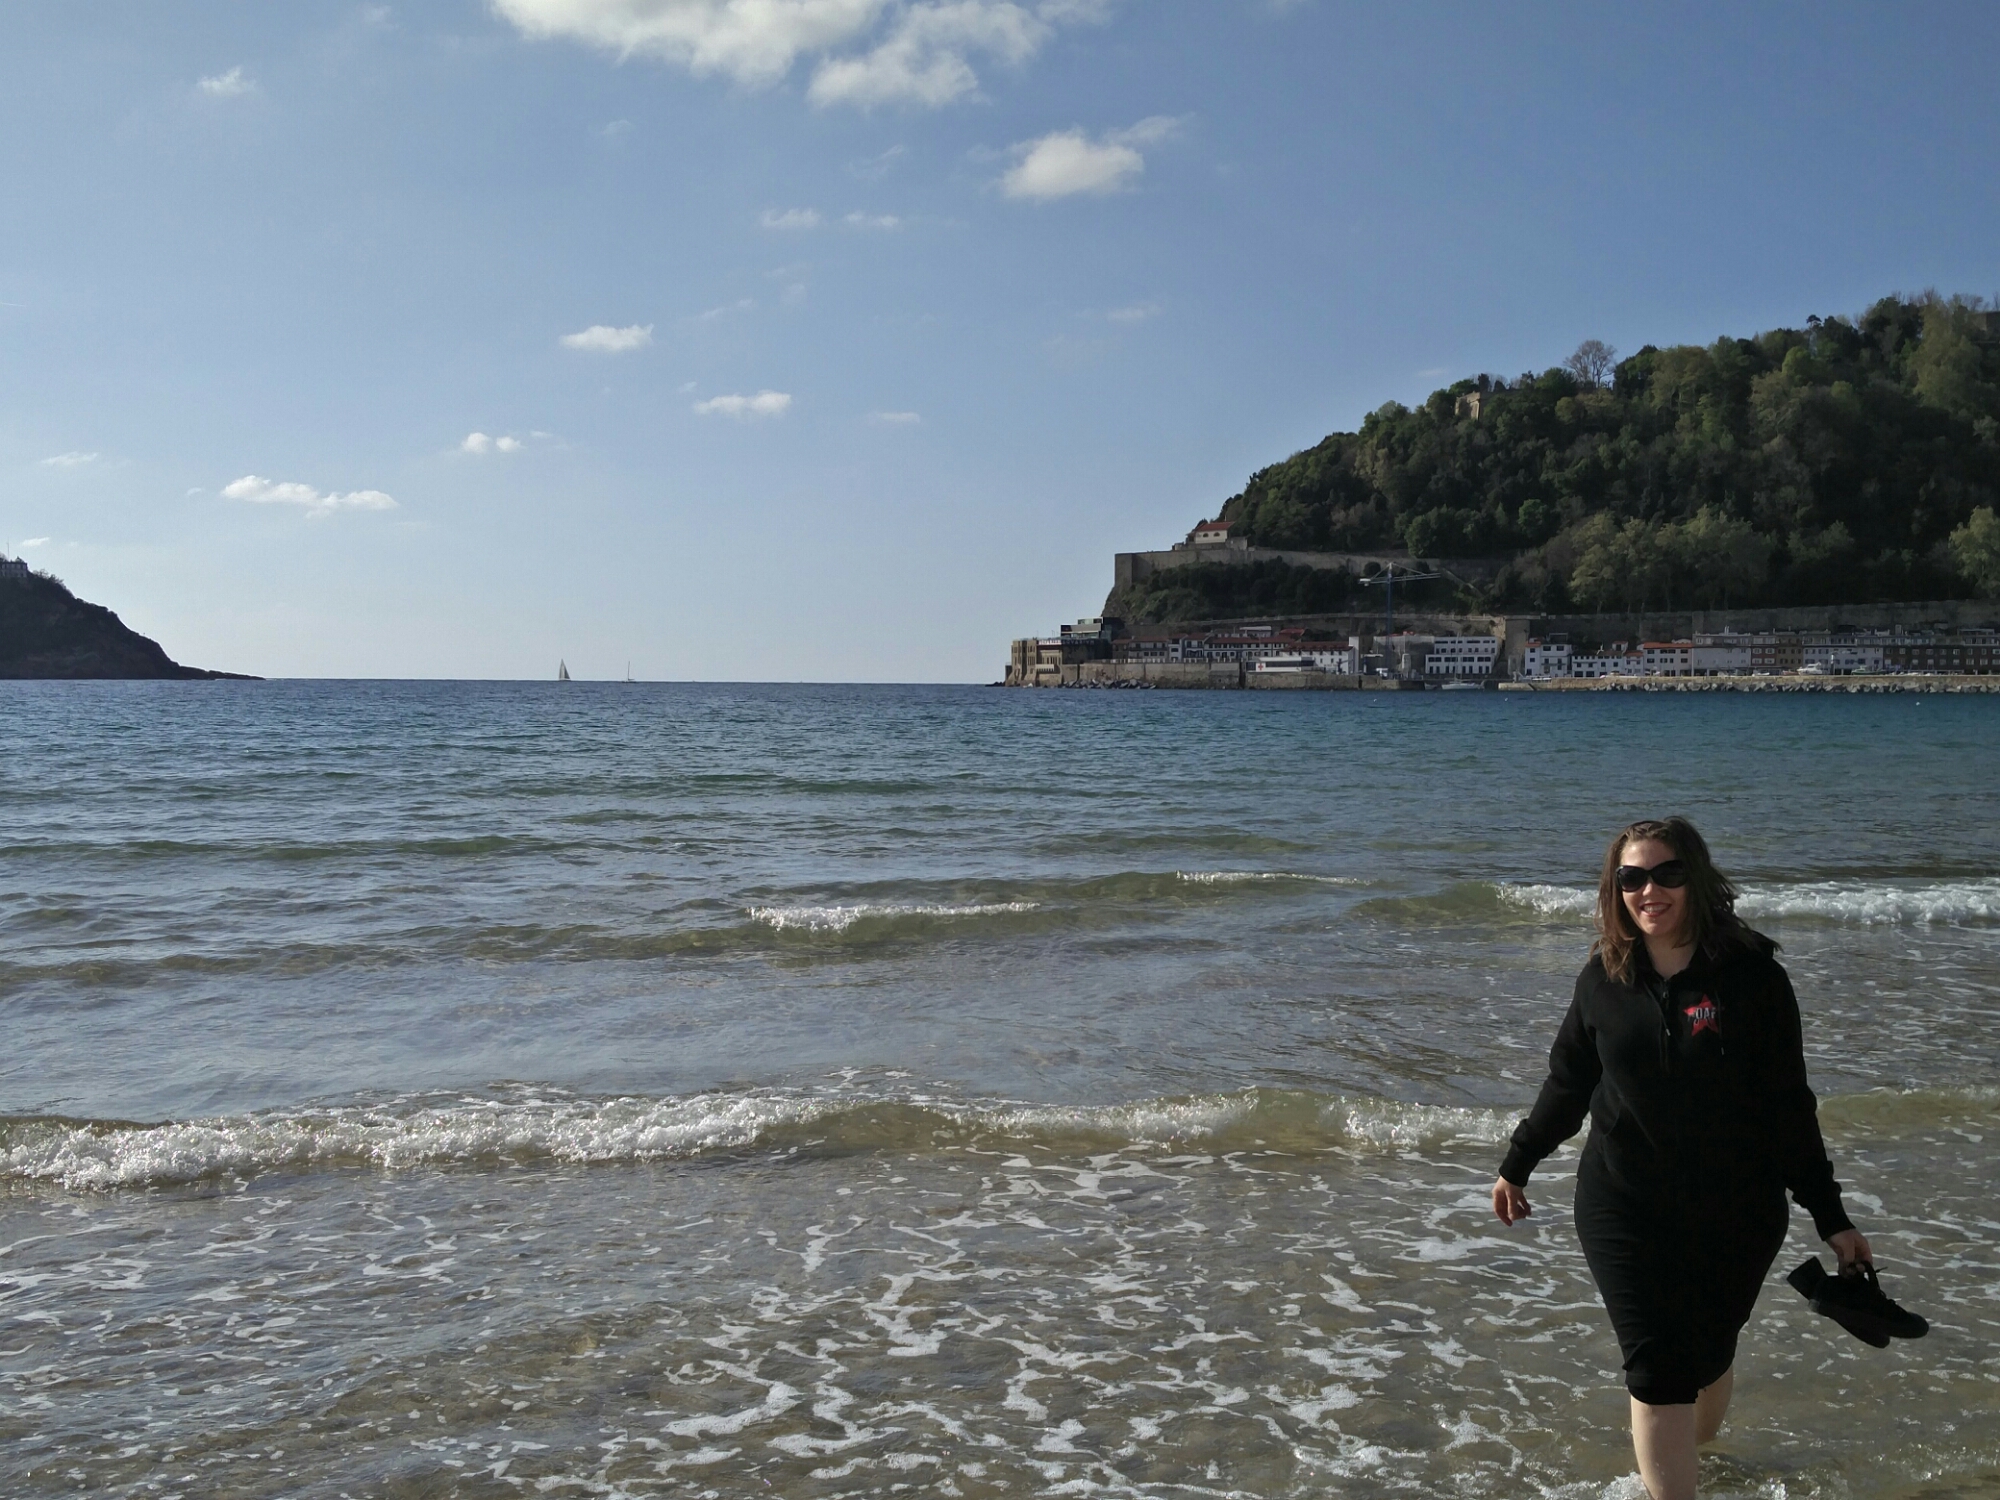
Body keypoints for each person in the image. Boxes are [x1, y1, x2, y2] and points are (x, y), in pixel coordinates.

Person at [1490, 817, 1871, 1500]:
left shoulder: (1753, 979)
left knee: (1707, 1354)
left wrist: (1831, 1217)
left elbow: (1788, 1106)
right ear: (1615, 889)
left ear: (1695, 879)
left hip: (1736, 1205)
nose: (1649, 891)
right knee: (1658, 1369)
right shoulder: (1602, 979)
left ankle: (1694, 1465)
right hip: (1621, 1202)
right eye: (1631, 878)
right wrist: (1518, 1163)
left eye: (1666, 874)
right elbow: (1568, 1084)